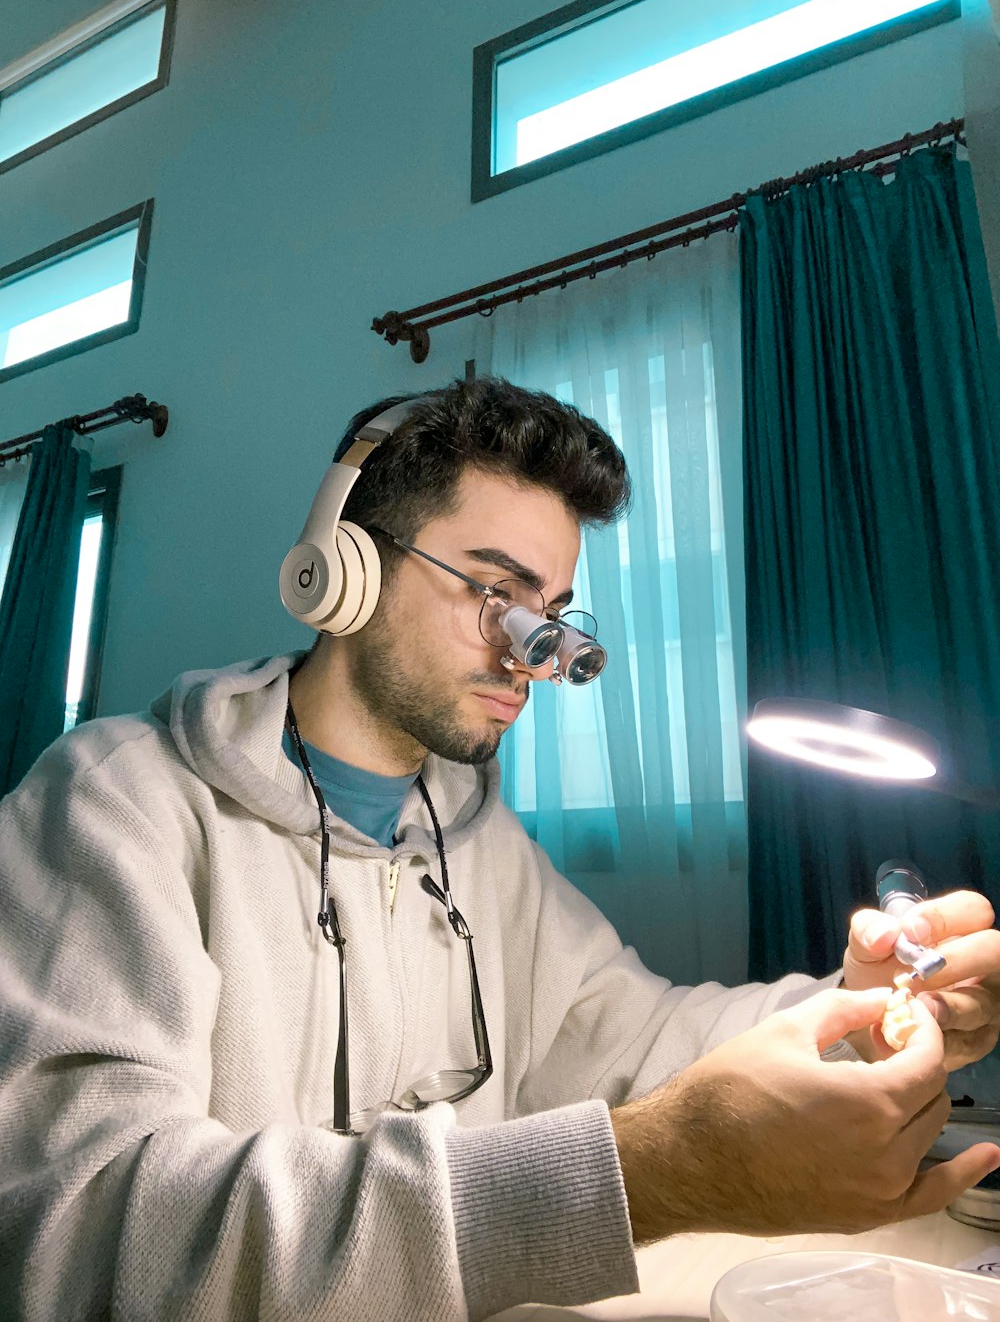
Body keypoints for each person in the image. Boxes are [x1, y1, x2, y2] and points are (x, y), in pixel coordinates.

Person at [1, 376, 998, 1322]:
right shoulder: (115, 808)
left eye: (552, 615)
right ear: (341, 572)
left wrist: (858, 1003)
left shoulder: (481, 842)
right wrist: (642, 1173)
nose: (535, 653)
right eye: (495, 590)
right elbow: (81, 1239)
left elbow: (632, 1041)